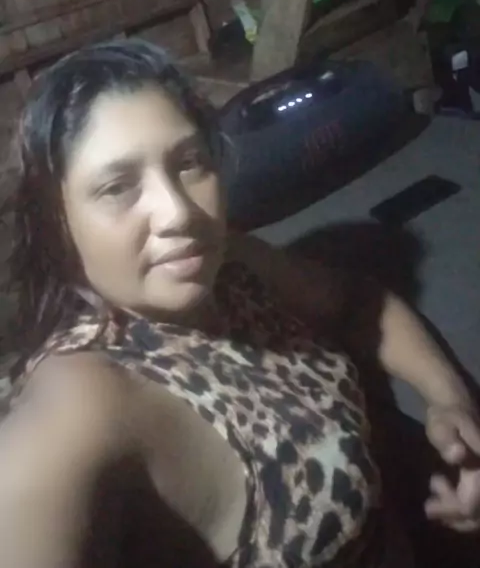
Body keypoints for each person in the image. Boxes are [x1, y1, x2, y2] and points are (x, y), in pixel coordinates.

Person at [0, 38, 479, 568]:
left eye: (189, 163)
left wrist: (450, 400)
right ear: (58, 224)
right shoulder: (80, 405)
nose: (178, 213)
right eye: (117, 187)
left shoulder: (232, 264)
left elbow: (355, 302)